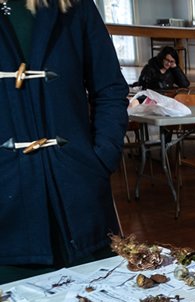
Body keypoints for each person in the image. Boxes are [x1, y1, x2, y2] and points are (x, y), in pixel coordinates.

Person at [0, 0, 129, 284]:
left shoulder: (74, 5)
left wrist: (100, 160)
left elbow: (109, 88)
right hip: (7, 218)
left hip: (80, 201)